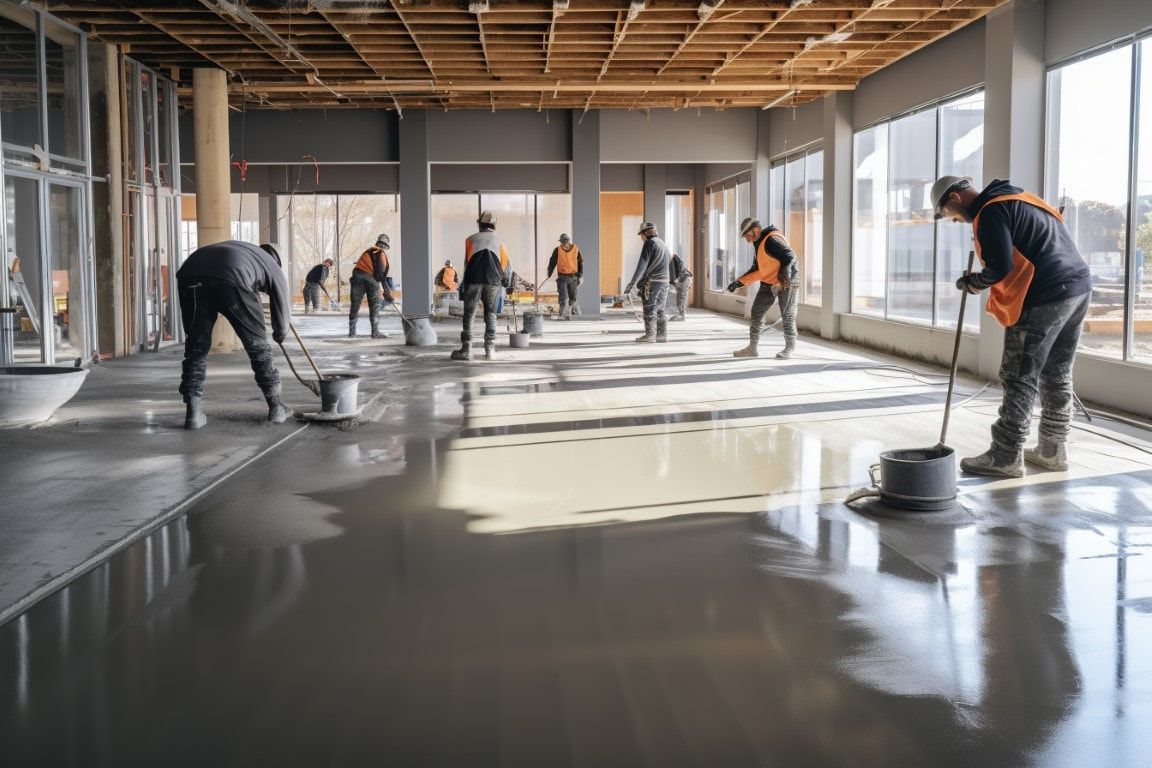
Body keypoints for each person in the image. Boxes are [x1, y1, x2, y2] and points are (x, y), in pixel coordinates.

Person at [933, 175, 1092, 477]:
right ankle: (1052, 450)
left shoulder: (991, 211)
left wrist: (974, 282)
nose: (956, 221)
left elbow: (999, 267)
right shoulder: (1021, 199)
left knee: (1019, 374)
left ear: (953, 199)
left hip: (1044, 294)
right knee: (1056, 372)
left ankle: (1005, 455)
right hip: (1078, 287)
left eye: (949, 216)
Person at [175, 240, 293, 430]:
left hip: (190, 275)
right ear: (277, 259)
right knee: (258, 347)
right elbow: (281, 303)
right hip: (232, 278)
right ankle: (276, 408)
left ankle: (193, 415)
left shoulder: (247, 251)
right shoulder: (272, 265)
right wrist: (280, 332)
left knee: (196, 347)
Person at [725, 218, 798, 359]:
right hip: (769, 280)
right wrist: (738, 283)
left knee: (787, 313)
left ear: (756, 229)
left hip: (787, 279)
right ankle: (752, 349)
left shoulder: (772, 239)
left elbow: (790, 257)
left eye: (748, 235)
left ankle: (790, 347)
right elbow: (757, 269)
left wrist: (785, 275)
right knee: (757, 311)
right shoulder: (758, 244)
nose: (747, 240)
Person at [452, 210, 512, 361]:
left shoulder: (470, 239)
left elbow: (467, 262)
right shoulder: (500, 242)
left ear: (480, 223)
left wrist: (464, 283)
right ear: (494, 225)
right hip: (493, 281)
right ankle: (490, 350)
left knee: (469, 314)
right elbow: (506, 266)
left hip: (474, 279)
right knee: (491, 313)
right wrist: (506, 282)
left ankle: (466, 350)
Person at [623, 222, 671, 343]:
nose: (641, 237)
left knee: (649, 307)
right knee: (661, 308)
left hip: (653, 282)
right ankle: (661, 335)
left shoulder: (650, 243)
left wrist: (631, 285)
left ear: (646, 233)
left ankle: (650, 336)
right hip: (664, 282)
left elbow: (641, 266)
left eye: (642, 234)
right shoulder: (663, 244)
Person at [348, 233, 393, 338]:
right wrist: (387, 291)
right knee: (374, 305)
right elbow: (380, 275)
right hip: (370, 280)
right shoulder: (380, 254)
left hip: (357, 278)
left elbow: (362, 266)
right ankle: (375, 332)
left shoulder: (367, 252)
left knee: (355, 305)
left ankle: (352, 332)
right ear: (384, 246)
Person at [546, 233, 584, 319]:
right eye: (561, 242)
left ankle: (574, 313)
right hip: (562, 277)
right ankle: (562, 312)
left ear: (567, 242)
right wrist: (549, 273)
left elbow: (580, 262)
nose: (562, 244)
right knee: (563, 296)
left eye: (564, 242)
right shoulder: (557, 250)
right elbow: (552, 262)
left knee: (573, 296)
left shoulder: (575, 249)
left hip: (573, 277)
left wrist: (580, 275)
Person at [668, 252, 693, 321]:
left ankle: (681, 316)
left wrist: (672, 283)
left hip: (683, 280)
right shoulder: (675, 258)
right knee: (681, 298)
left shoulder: (672, 259)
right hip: (684, 279)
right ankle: (680, 315)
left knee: (681, 298)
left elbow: (673, 274)